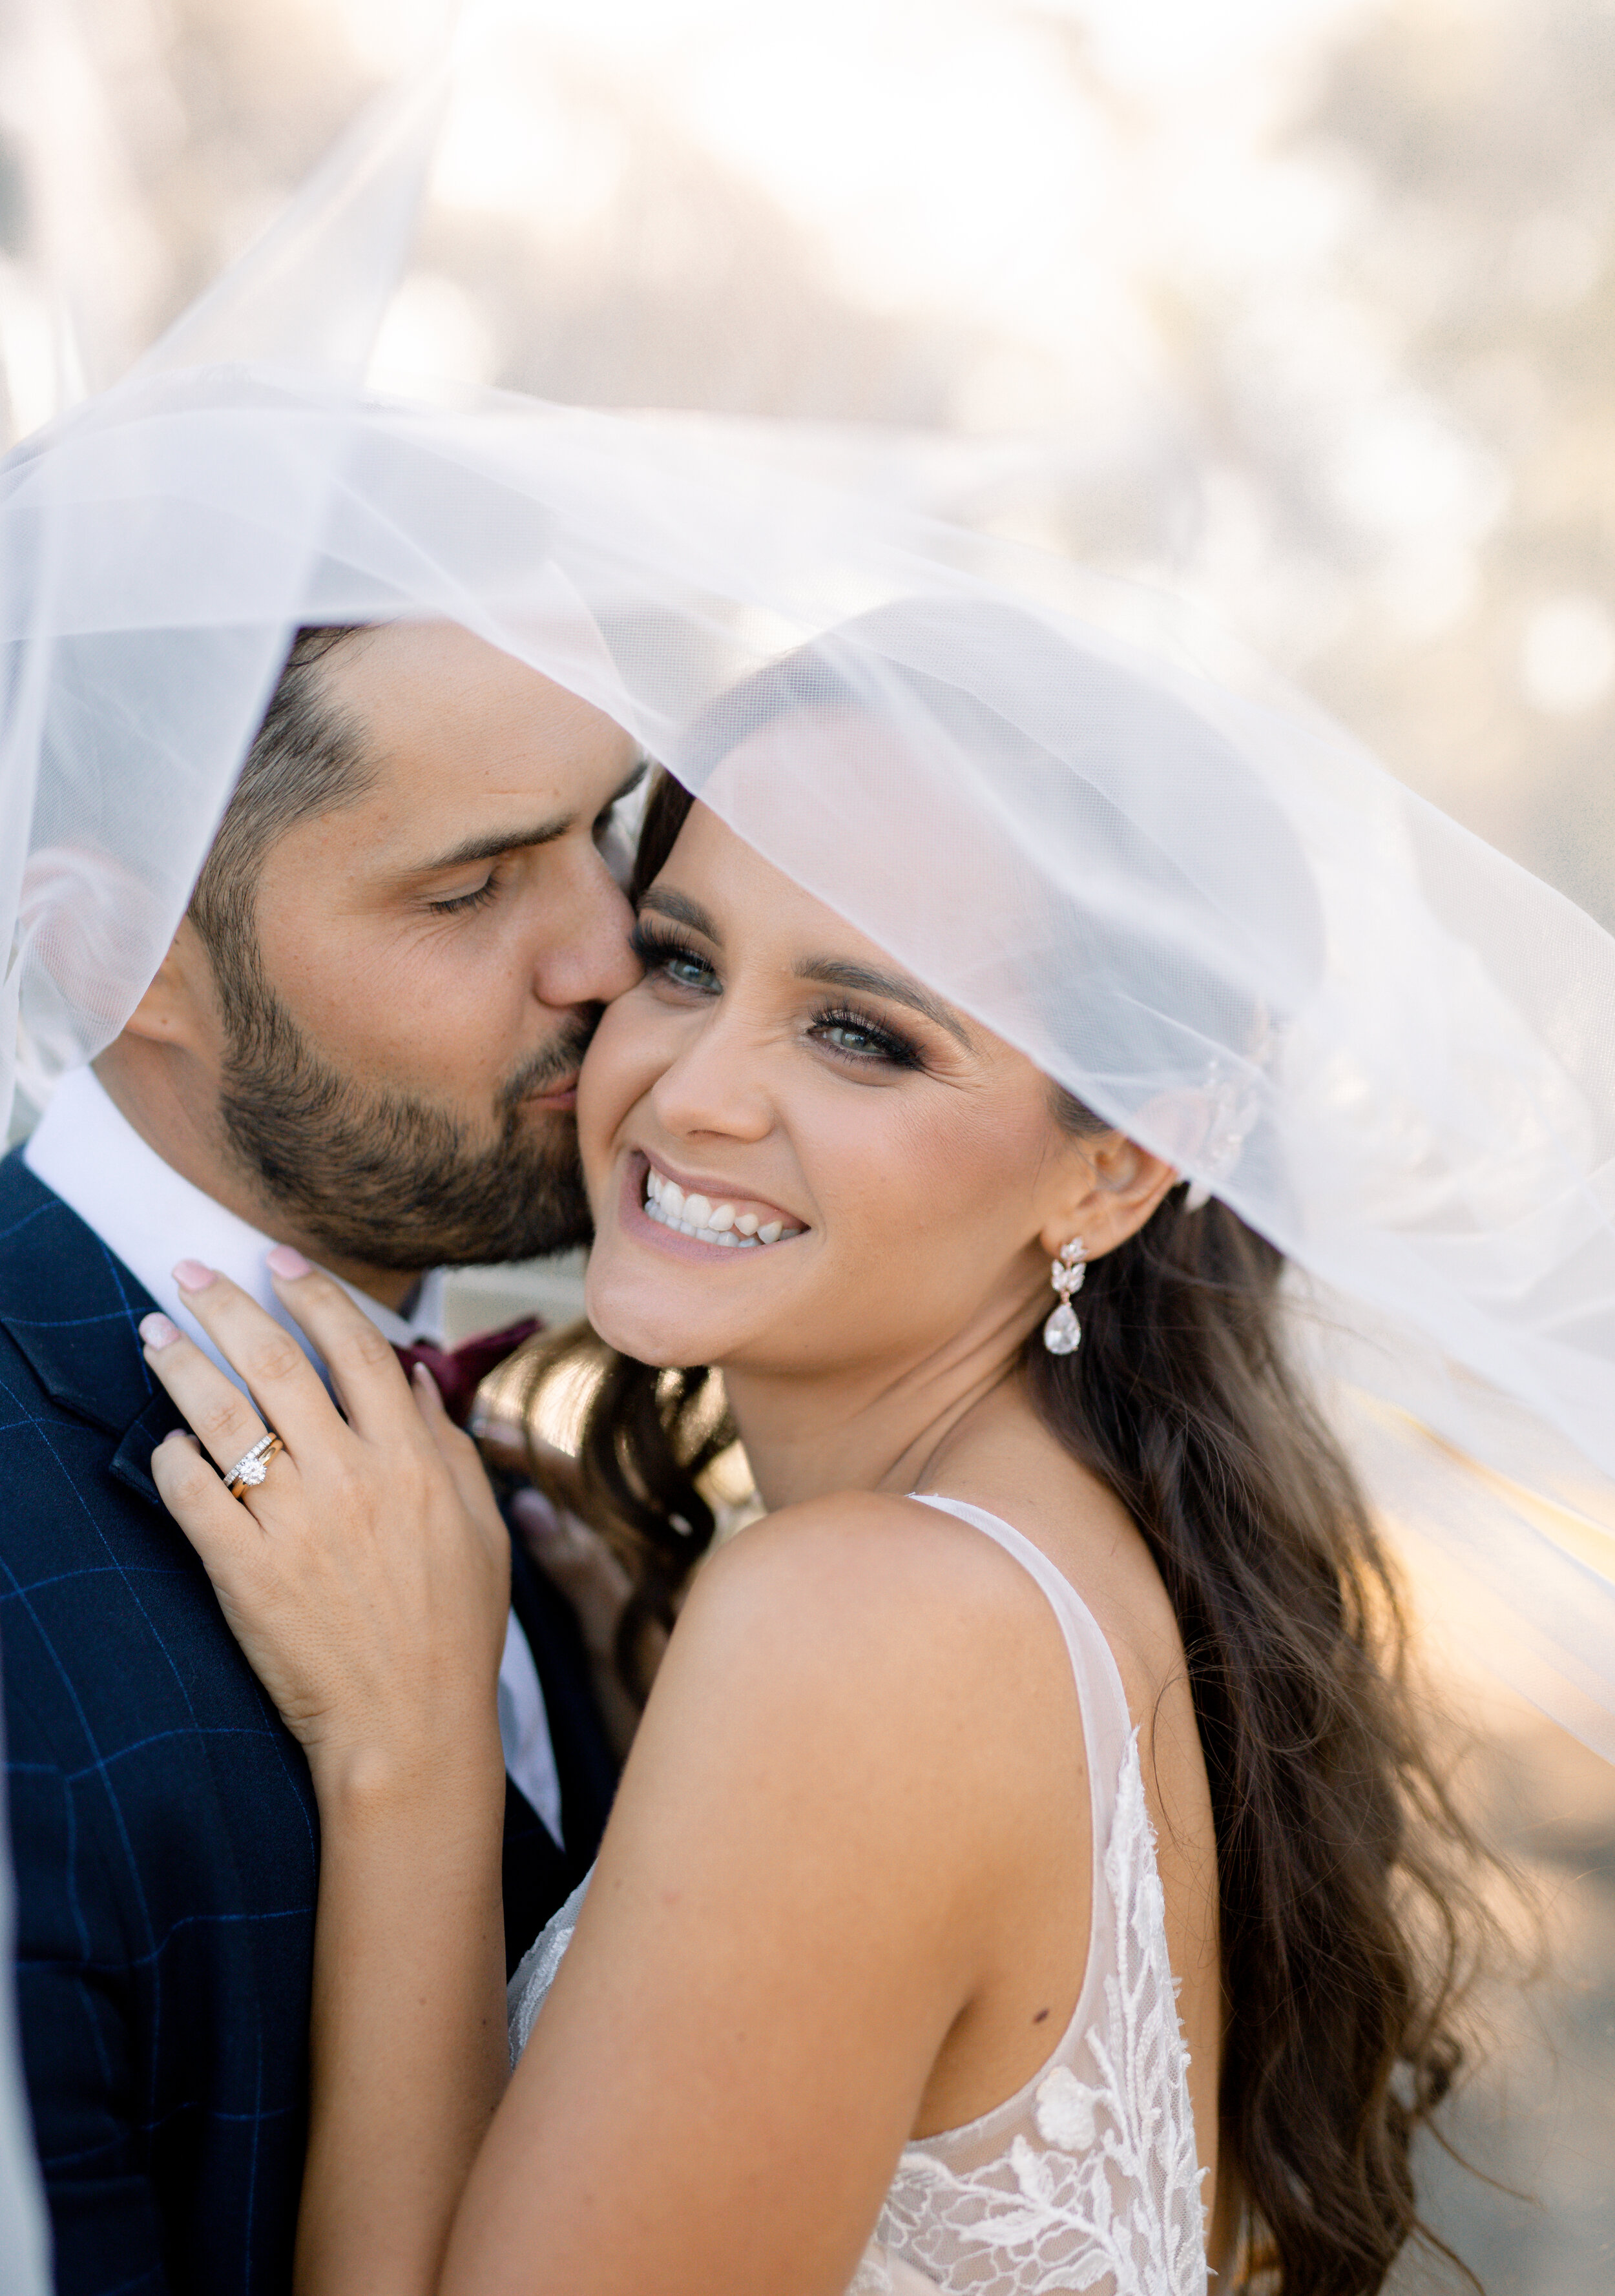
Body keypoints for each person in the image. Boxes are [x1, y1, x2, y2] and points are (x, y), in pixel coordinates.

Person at [137, 628, 1505, 2296]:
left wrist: (408, 1748)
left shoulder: (872, 1628)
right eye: (683, 960)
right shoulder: (1050, 1574)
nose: (685, 1091)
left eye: (861, 1032)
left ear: (1119, 1161)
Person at [0, 614, 638, 2295]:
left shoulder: (563, 1514)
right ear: (113, 949)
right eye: (469, 888)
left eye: (607, 834)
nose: (610, 954)